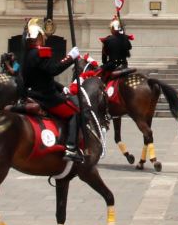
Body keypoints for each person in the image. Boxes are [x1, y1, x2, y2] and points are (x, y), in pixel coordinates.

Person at [16, 17, 87, 162]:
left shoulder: (26, 55)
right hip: (46, 97)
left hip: (31, 94)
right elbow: (54, 70)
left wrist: (62, 88)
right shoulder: (40, 53)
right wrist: (70, 57)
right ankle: (71, 147)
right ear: (39, 38)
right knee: (75, 113)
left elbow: (43, 77)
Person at [100, 14, 134, 80]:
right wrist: (123, 37)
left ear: (112, 29)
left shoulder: (107, 40)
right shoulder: (125, 38)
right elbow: (129, 47)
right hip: (124, 65)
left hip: (112, 66)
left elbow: (104, 58)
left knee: (99, 76)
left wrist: (104, 65)